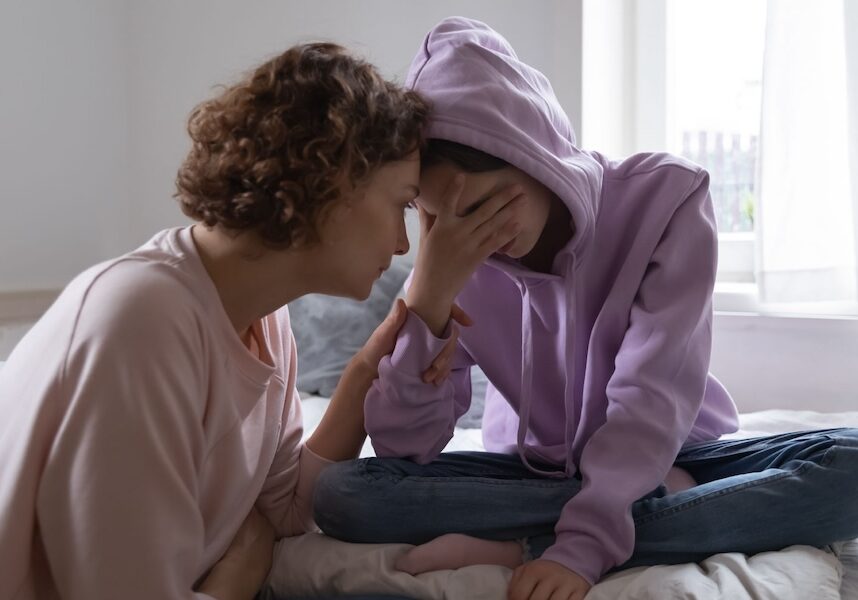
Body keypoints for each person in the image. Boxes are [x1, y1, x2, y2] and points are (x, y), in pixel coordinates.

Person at [312, 17, 858, 600]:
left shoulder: (668, 201)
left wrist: (580, 548)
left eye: (487, 207)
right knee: (343, 495)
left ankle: (527, 540)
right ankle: (667, 506)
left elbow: (648, 398)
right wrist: (428, 301)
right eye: (438, 218)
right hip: (532, 472)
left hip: (678, 451)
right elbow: (405, 449)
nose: (475, 236)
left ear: (533, 156)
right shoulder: (453, 257)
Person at [0, 42, 495, 600]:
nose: (404, 241)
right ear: (330, 181)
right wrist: (242, 568)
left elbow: (284, 510)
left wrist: (364, 373)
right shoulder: (142, 320)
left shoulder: (266, 321)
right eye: (401, 205)